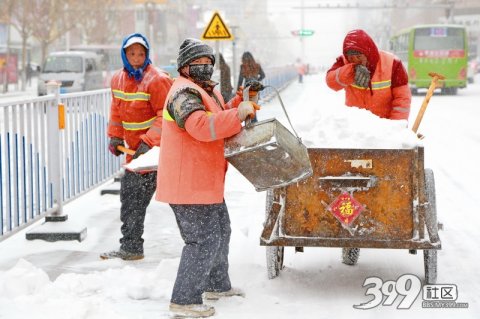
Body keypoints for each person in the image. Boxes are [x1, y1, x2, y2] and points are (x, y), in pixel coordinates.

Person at [156, 38, 259, 318]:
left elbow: (220, 115)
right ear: (185, 67)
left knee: (220, 232)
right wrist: (237, 115)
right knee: (202, 241)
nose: (204, 67)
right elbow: (201, 127)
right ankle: (185, 299)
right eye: (197, 64)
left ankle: (216, 285)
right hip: (187, 183)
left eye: (208, 63)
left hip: (204, 182)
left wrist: (242, 100)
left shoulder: (205, 91)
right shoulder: (182, 93)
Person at [100, 33, 173, 261]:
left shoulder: (157, 80)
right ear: (124, 54)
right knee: (131, 199)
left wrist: (149, 142)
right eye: (131, 53)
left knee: (182, 203)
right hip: (135, 155)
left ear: (147, 54)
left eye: (141, 53)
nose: (136, 58)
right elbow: (116, 112)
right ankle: (131, 247)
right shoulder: (118, 80)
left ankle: (200, 249)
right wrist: (114, 136)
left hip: (158, 154)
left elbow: (166, 115)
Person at [326, 29, 411, 120]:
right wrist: (351, 71)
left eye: (359, 56)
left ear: (368, 53)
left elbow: (402, 99)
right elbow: (331, 82)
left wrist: (396, 126)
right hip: (356, 125)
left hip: (384, 125)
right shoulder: (344, 62)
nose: (355, 61)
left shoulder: (393, 64)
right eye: (351, 57)